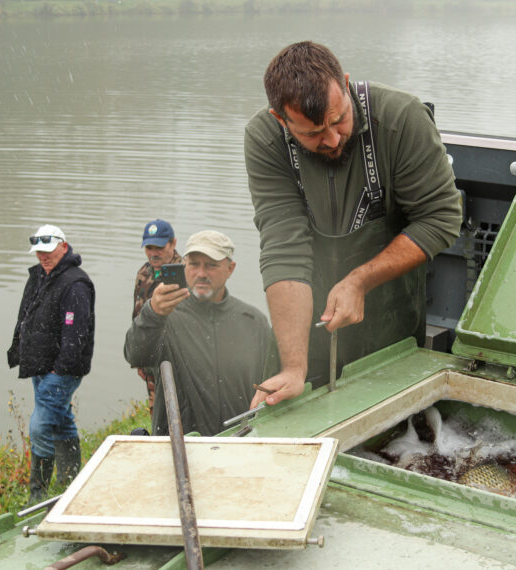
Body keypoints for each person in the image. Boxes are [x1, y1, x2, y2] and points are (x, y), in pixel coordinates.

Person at [244, 41, 462, 408]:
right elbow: (283, 246)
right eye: (312, 134)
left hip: (391, 316)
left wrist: (360, 280)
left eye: (338, 119)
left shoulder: (401, 118)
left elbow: (442, 217)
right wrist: (294, 368)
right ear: (281, 119)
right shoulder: (265, 140)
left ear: (345, 85)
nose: (330, 139)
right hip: (305, 318)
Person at [124, 230, 275, 436]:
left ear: (230, 268)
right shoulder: (164, 316)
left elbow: (271, 381)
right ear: (184, 266)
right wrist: (151, 314)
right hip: (181, 447)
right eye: (194, 264)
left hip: (241, 442)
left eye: (211, 265)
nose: (201, 273)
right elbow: (135, 354)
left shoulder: (253, 321)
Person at [7, 224, 95, 505]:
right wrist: (18, 350)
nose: (43, 257)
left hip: (62, 370)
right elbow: (25, 316)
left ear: (64, 247)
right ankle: (70, 483)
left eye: (48, 251)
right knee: (62, 423)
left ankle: (38, 495)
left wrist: (61, 369)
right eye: (39, 252)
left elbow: (76, 332)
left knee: (40, 427)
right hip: (39, 366)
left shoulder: (76, 284)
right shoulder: (39, 276)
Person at [132, 219, 182, 412]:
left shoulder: (187, 272)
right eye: (149, 247)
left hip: (177, 360)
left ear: (173, 243)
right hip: (150, 359)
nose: (153, 253)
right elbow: (137, 316)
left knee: (178, 412)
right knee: (157, 414)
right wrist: (139, 357)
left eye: (159, 247)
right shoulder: (143, 273)